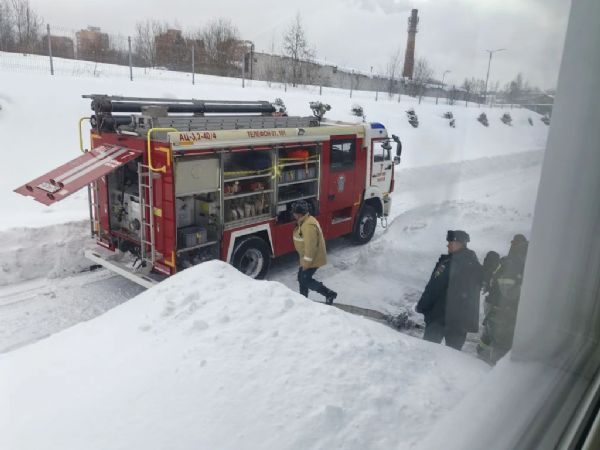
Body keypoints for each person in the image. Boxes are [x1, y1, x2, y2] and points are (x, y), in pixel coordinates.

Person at [416, 230, 483, 350]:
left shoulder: (448, 263)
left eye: (451, 242)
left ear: (460, 244)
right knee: (453, 355)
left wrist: (422, 306)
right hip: (459, 322)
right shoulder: (474, 264)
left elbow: (434, 287)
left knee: (427, 351)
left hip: (439, 317)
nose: (448, 245)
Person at [477, 234, 529, 365]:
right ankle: (493, 368)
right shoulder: (513, 263)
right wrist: (528, 291)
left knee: (490, 333)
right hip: (501, 309)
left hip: (493, 305)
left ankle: (480, 356)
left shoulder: (506, 261)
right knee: (501, 342)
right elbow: (508, 291)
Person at [292, 200, 337, 305]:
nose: (293, 214)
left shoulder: (308, 226)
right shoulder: (305, 220)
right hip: (307, 257)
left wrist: (306, 264)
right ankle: (303, 299)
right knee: (302, 278)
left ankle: (329, 293)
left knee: (304, 279)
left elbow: (311, 247)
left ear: (299, 214)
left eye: (294, 212)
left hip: (312, 258)